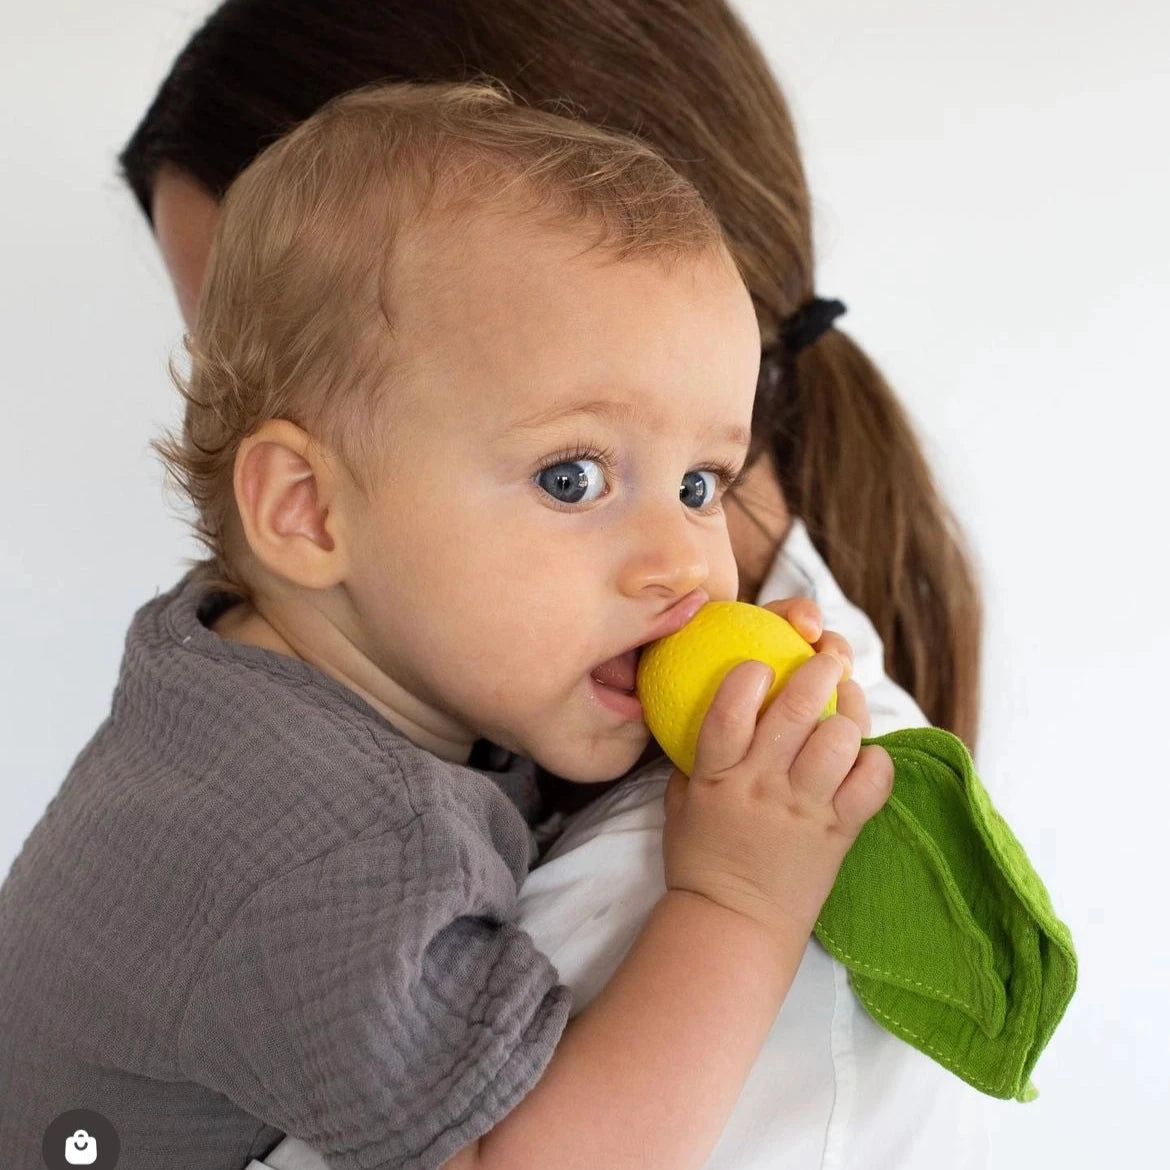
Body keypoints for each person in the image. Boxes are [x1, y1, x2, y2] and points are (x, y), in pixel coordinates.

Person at [0, 81, 892, 1169]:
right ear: (307, 510)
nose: (686, 566)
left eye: (702, 484)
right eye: (574, 476)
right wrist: (744, 897)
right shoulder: (336, 842)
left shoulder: (226, 670)